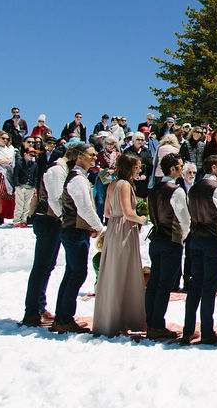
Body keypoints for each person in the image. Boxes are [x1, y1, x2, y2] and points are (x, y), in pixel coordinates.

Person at [50, 144, 106, 334]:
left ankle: (62, 317)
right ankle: (64, 318)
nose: (94, 158)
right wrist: (98, 226)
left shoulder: (79, 177)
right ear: (80, 156)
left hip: (75, 229)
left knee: (72, 273)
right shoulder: (77, 179)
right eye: (91, 154)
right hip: (74, 231)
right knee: (76, 274)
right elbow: (85, 208)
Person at [181, 155, 217, 345]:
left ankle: (187, 330)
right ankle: (207, 331)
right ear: (213, 168)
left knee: (195, 284)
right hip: (213, 238)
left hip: (195, 238)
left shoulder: (193, 188)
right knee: (209, 286)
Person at [92, 153, 147, 336]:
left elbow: (107, 212)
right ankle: (123, 319)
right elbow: (127, 212)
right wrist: (141, 218)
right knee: (125, 272)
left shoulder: (112, 185)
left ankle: (110, 317)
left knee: (113, 272)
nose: (138, 170)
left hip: (113, 229)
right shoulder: (124, 185)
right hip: (124, 229)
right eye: (136, 167)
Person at [19, 148, 72, 327]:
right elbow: (55, 200)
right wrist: (66, 219)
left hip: (51, 221)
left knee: (47, 266)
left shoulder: (57, 170)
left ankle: (38, 307)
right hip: (48, 220)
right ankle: (32, 311)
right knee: (41, 267)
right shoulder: (56, 171)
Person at [144, 153, 190, 339]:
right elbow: (184, 219)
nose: (182, 169)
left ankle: (151, 322)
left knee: (154, 283)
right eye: (179, 166)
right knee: (164, 285)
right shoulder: (176, 190)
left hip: (155, 239)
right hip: (171, 239)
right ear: (172, 169)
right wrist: (183, 237)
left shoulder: (153, 190)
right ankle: (157, 324)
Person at [12, 137, 40, 226]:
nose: (32, 157)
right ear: (25, 154)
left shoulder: (34, 164)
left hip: (30, 187)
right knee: (19, 204)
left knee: (27, 205)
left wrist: (34, 186)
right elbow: (16, 175)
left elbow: (35, 176)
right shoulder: (19, 163)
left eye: (33, 155)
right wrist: (16, 185)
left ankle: (23, 220)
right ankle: (17, 220)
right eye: (30, 154)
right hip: (21, 185)